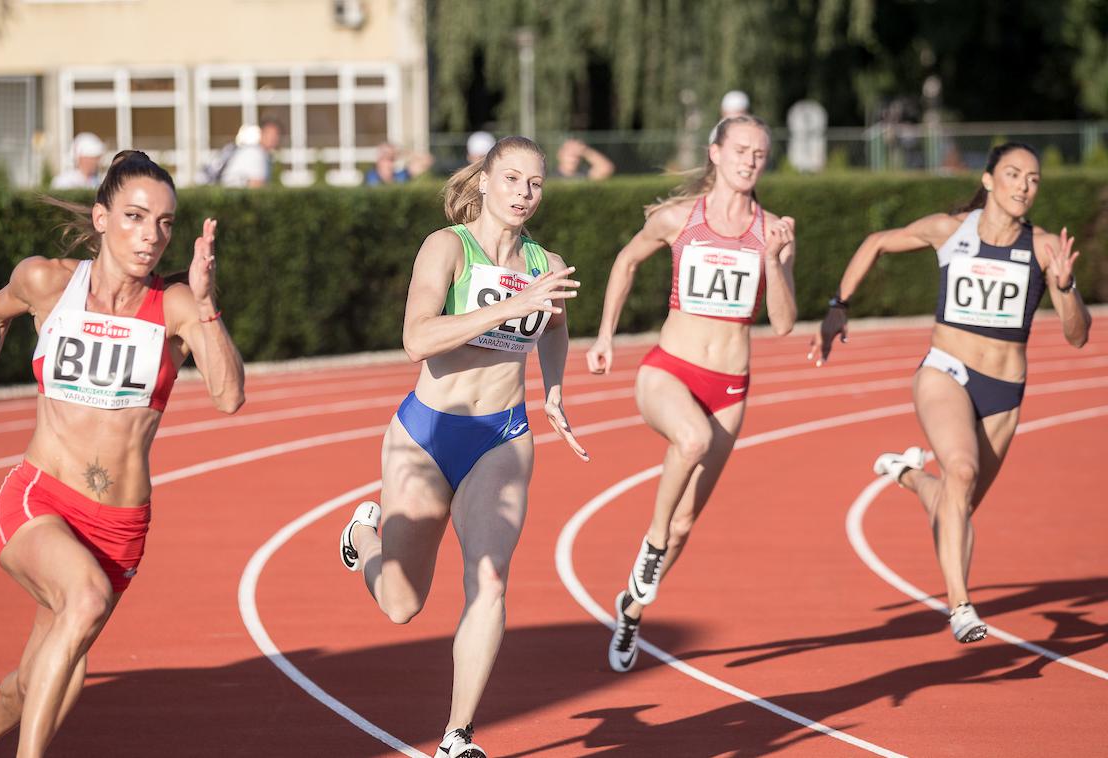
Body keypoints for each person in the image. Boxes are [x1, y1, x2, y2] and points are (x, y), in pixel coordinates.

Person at [0, 150, 245, 757]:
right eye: (135, 217)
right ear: (100, 218)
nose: (151, 236)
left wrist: (205, 304)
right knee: (84, 599)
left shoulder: (172, 307)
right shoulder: (48, 282)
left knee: (49, 674)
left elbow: (228, 397)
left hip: (120, 528)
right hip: (40, 499)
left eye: (165, 223)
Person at [338, 136, 586, 758]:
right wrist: (513, 304)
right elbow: (417, 338)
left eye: (534, 183)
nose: (523, 193)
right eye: (511, 179)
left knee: (491, 582)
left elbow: (555, 327)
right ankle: (363, 536)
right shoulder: (447, 246)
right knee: (402, 605)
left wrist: (553, 389)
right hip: (427, 434)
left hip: (502, 434)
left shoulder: (544, 261)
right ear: (484, 181)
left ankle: (457, 736)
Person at [808, 142, 1091, 643]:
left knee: (955, 505)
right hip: (945, 371)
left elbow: (1077, 335)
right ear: (988, 181)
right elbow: (875, 241)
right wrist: (838, 306)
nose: (1024, 186)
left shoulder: (1044, 247)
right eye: (1013, 174)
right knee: (960, 471)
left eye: (1033, 179)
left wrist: (1065, 289)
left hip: (1004, 391)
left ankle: (909, 475)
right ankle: (960, 606)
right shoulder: (950, 230)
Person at [586, 115, 797, 673]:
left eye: (760, 153)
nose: (750, 160)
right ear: (716, 153)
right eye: (741, 150)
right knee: (691, 438)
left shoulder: (772, 230)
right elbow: (626, 261)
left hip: (729, 386)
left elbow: (780, 324)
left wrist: (775, 261)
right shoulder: (679, 218)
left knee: (686, 523)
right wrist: (606, 334)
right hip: (669, 371)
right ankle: (649, 550)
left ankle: (630, 608)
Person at [219, 116, 283, 187]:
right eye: (270, 134)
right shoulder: (256, 154)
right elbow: (256, 185)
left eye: (276, 135)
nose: (274, 138)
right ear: (261, 133)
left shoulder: (259, 153)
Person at [364, 141, 434, 185]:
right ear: (379, 160)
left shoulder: (400, 177)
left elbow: (428, 160)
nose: (390, 164)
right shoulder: (371, 177)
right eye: (386, 159)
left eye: (392, 159)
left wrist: (403, 152)